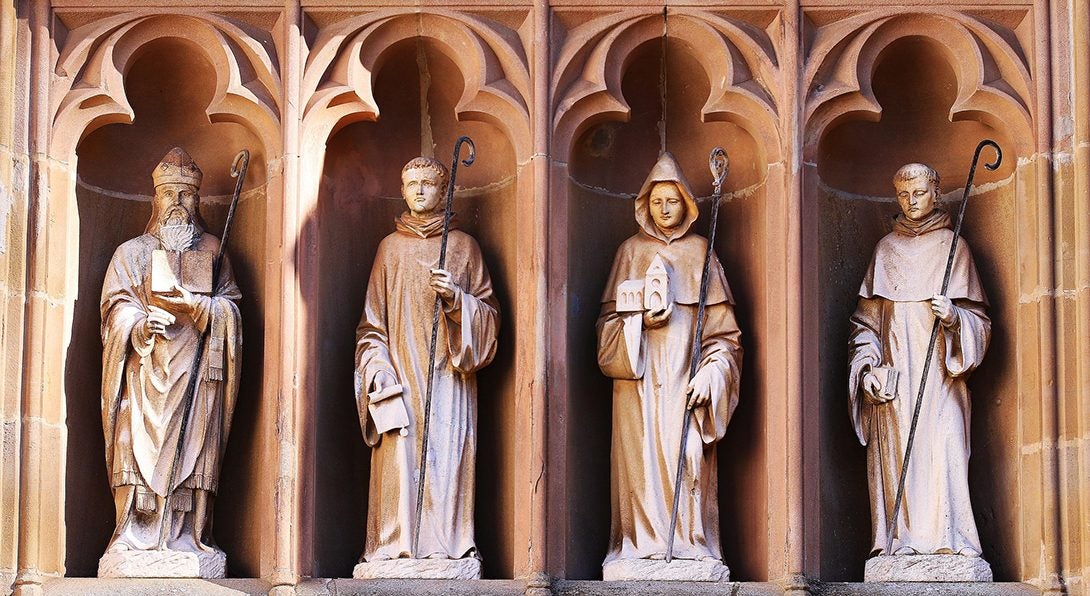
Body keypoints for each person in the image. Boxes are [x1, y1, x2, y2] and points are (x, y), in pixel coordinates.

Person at [596, 152, 742, 580]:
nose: (664, 209)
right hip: (637, 387)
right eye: (656, 201)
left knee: (688, 458)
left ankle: (689, 543)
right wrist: (637, 322)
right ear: (645, 205)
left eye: (672, 201)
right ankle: (638, 545)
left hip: (684, 381)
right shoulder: (629, 252)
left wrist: (711, 375)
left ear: (686, 205)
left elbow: (725, 338)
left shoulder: (701, 252)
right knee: (639, 464)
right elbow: (604, 333)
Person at [353, 156, 499, 577]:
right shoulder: (389, 248)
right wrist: (376, 366)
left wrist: (457, 300)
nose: (418, 191)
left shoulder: (462, 247)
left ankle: (446, 547)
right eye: (411, 183)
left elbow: (490, 316)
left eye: (427, 184)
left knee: (445, 456)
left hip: (449, 377)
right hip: (399, 376)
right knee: (400, 455)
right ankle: (395, 544)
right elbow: (370, 324)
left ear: (443, 190)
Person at [99, 147, 242, 572]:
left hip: (198, 376)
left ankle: (188, 537)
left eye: (187, 194)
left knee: (195, 453)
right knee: (132, 443)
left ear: (198, 201)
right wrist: (141, 323)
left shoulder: (215, 252)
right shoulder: (131, 253)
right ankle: (132, 534)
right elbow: (114, 310)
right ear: (155, 199)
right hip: (144, 374)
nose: (178, 202)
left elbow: (231, 308)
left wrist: (201, 307)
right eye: (170, 194)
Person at [848, 162, 990, 559]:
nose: (911, 202)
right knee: (898, 463)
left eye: (919, 193)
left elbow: (981, 324)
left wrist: (955, 318)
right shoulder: (885, 250)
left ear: (935, 192)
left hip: (941, 378)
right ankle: (901, 542)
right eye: (903, 194)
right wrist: (869, 369)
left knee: (946, 446)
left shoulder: (954, 247)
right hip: (897, 381)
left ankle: (951, 541)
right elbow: (865, 326)